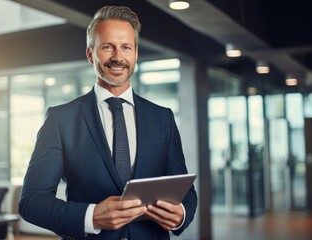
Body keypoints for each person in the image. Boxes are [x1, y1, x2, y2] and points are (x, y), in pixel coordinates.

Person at [18, 5, 197, 240]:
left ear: (135, 54)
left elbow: (186, 193)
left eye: (126, 47)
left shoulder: (162, 117)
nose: (117, 57)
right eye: (107, 47)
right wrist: (90, 216)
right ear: (91, 54)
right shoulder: (61, 119)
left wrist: (181, 214)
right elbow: (31, 202)